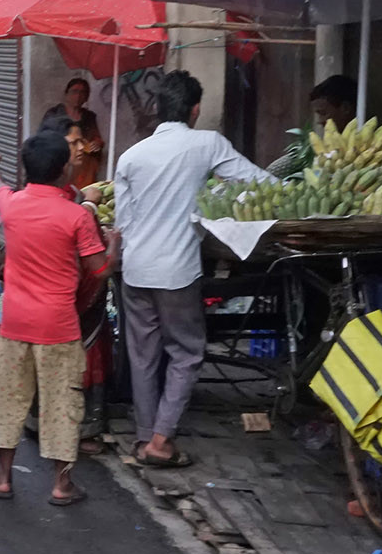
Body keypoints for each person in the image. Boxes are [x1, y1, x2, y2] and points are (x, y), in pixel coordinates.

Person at [114, 71, 272, 468]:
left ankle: (144, 436)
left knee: (144, 355)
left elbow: (124, 222)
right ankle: (161, 441)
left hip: (135, 269)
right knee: (186, 353)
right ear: (195, 109)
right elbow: (258, 182)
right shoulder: (206, 143)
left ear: (158, 109)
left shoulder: (131, 156)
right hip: (177, 271)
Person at [0, 130, 111, 506]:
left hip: (16, 322)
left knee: (8, 399)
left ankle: (5, 479)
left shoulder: (11, 205)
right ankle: (61, 484)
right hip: (58, 325)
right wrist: (115, 246)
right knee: (61, 404)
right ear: (63, 171)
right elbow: (99, 269)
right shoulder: (76, 216)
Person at [43, 77, 105, 188]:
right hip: (61, 163)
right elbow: (44, 139)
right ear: (66, 94)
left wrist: (97, 143)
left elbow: (96, 137)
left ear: (86, 97)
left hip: (83, 166)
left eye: (83, 92)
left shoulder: (89, 117)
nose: (78, 96)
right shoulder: (54, 114)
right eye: (74, 91)